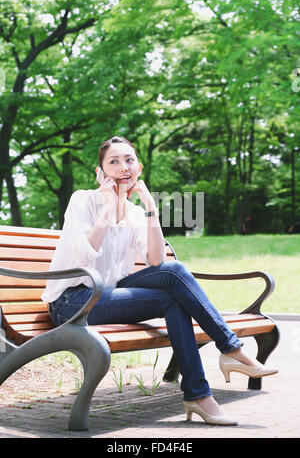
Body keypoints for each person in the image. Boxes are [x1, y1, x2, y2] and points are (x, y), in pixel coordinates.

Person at [42, 136, 278, 426]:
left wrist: (150, 206)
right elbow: (83, 255)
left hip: (108, 295)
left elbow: (156, 260)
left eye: (128, 160)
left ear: (138, 168)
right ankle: (230, 353)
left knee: (174, 282)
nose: (122, 167)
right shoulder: (83, 200)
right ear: (100, 173)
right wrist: (108, 207)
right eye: (113, 162)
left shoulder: (136, 213)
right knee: (174, 288)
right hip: (72, 301)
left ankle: (199, 393)